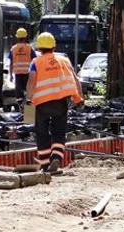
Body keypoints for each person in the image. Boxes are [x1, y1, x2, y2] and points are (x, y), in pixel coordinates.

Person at [26, 32, 83, 173]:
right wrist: (79, 99)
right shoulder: (64, 60)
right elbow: (76, 79)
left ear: (39, 48)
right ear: (53, 46)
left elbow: (31, 82)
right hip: (61, 102)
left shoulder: (35, 62)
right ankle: (56, 157)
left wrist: (28, 103)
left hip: (41, 104)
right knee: (59, 132)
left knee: (42, 133)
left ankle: (45, 165)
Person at [9, 28, 36, 104]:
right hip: (28, 73)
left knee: (18, 92)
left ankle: (20, 107)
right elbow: (35, 61)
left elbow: (11, 63)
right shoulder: (29, 48)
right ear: (25, 37)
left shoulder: (13, 49)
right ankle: (28, 110)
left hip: (18, 74)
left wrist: (10, 75)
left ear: (17, 37)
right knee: (28, 91)